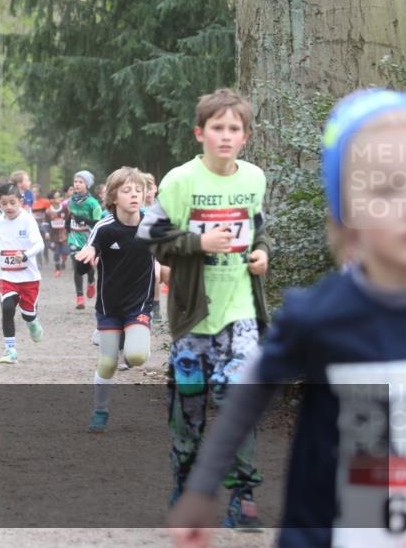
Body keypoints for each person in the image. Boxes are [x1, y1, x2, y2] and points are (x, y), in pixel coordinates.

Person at [168, 88, 406, 547]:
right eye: (385, 189)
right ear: (347, 213)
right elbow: (246, 398)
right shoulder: (320, 315)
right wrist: (202, 488)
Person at [137, 88, 270, 530]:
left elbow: (258, 227)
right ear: (201, 133)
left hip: (241, 313)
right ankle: (186, 485)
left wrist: (263, 253)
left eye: (235, 128)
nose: (226, 136)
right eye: (218, 128)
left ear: (246, 136)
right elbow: (152, 236)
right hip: (194, 316)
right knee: (188, 411)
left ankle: (244, 497)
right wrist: (197, 243)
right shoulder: (181, 181)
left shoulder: (253, 178)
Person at [74, 168, 155, 433]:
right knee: (108, 363)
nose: (134, 195)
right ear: (113, 197)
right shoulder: (105, 227)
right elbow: (90, 252)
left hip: (139, 305)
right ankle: (100, 410)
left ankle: (132, 341)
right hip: (109, 308)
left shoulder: (153, 225)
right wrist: (85, 257)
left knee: (137, 356)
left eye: (138, 190)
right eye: (127, 191)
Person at [0, 182, 45, 363]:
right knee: (7, 308)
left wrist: (25, 255)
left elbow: (39, 244)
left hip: (28, 277)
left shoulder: (27, 219)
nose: (8, 207)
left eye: (12, 202)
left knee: (28, 314)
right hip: (5, 275)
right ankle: (10, 350)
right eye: (4, 203)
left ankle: (32, 322)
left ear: (20, 201)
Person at [66, 170, 103, 310]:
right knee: (76, 266)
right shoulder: (71, 201)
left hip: (89, 239)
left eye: (80, 182)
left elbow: (98, 223)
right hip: (74, 237)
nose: (77, 184)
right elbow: (71, 214)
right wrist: (67, 222)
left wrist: (85, 220)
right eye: (75, 181)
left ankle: (91, 281)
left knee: (87, 267)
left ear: (87, 184)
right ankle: (79, 297)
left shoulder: (93, 203)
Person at [143, 172, 169, 325]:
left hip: (161, 251)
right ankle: (151, 308)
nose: (148, 191)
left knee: (162, 275)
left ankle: (159, 308)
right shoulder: (136, 208)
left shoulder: (163, 207)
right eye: (144, 188)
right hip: (143, 252)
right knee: (155, 275)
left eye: (150, 187)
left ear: (155, 189)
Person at [46, 189, 69, 277]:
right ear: (51, 200)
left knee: (66, 251)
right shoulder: (48, 211)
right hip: (54, 236)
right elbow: (45, 223)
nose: (60, 198)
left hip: (64, 235)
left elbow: (69, 219)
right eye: (57, 197)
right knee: (56, 253)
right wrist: (46, 232)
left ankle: (63, 261)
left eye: (60, 196)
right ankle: (57, 268)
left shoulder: (65, 209)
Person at [31, 184, 52, 265]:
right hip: (34, 226)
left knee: (45, 243)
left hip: (43, 224)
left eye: (36, 192)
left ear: (40, 192)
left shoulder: (45, 202)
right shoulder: (29, 202)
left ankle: (46, 254)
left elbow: (49, 214)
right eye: (33, 192)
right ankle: (39, 262)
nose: (35, 194)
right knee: (36, 242)